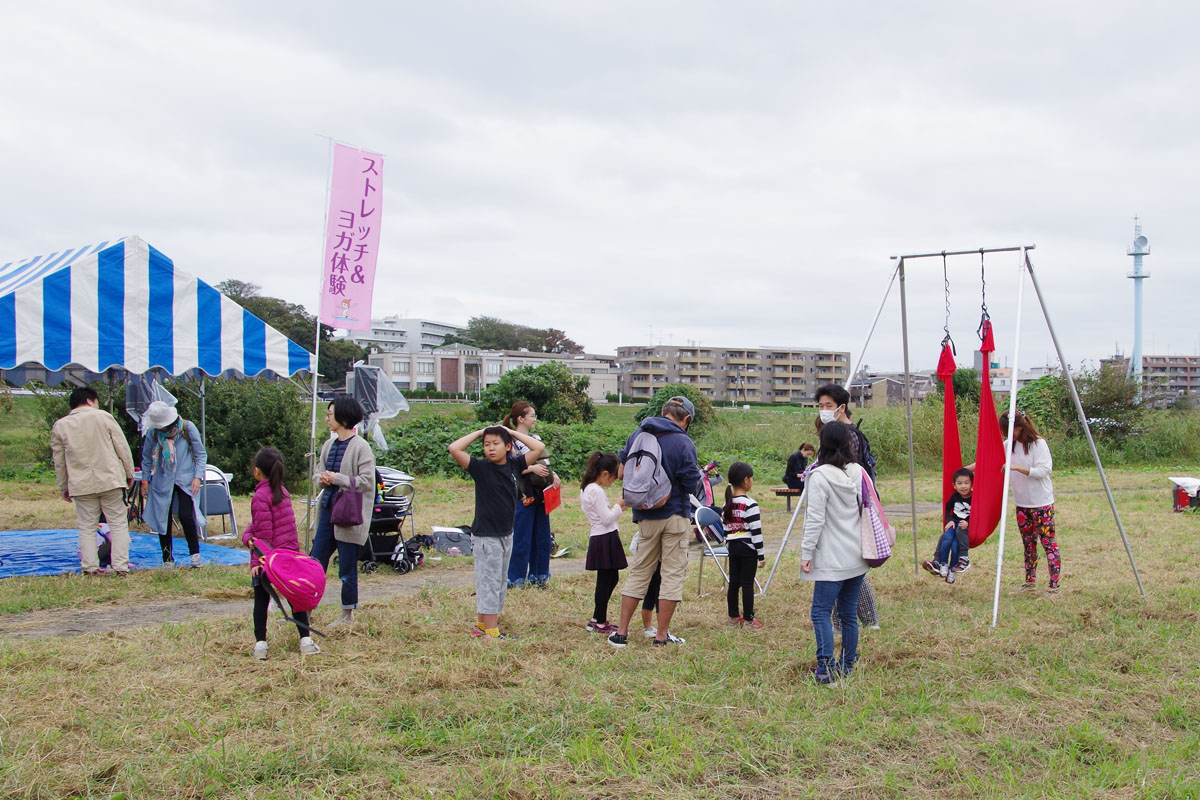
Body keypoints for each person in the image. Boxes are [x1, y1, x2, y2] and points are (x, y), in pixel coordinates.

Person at [608, 395, 701, 649]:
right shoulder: (684, 442)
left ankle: (621, 633)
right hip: (675, 515)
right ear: (686, 419)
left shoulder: (638, 434)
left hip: (646, 515)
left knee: (639, 571)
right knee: (671, 574)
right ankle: (661, 636)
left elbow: (621, 473)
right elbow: (691, 483)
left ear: (662, 412)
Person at [449, 424, 546, 639]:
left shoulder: (514, 464)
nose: (490, 448)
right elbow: (454, 449)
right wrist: (477, 433)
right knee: (489, 582)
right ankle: (491, 633)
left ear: (508, 446)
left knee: (500, 580)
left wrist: (511, 432)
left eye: (495, 444)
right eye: (486, 444)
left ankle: (482, 626)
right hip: (486, 536)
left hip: (506, 533)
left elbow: (538, 448)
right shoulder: (480, 468)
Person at [800, 422, 869, 685]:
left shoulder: (819, 476)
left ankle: (825, 668)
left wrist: (807, 552)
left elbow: (814, 519)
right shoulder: (857, 471)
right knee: (848, 613)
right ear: (848, 444)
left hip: (831, 558)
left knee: (820, 612)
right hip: (856, 556)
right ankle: (847, 664)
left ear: (822, 444)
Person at [241, 447, 318, 658]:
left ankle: (260, 645)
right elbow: (261, 526)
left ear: (257, 471)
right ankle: (306, 641)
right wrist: (247, 536)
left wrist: (256, 562)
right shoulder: (282, 492)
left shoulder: (259, 496)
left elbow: (263, 535)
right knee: (296, 599)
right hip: (288, 557)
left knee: (261, 600)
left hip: (269, 559)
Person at [815, 384, 880, 630]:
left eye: (828, 406)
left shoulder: (847, 435)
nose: (823, 410)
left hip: (848, 508)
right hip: (845, 507)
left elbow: (850, 473)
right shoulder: (839, 431)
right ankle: (846, 621)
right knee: (843, 565)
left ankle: (860, 619)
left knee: (847, 566)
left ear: (841, 407)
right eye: (820, 406)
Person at [50, 387, 135, 575]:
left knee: (87, 527)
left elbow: (59, 460)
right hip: (111, 479)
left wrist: (64, 486)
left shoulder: (60, 426)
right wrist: (129, 473)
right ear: (90, 400)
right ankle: (121, 567)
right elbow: (122, 447)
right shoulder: (103, 417)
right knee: (118, 524)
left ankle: (89, 568)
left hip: (81, 484)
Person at [311, 397, 375, 626]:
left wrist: (337, 478)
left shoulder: (361, 447)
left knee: (347, 567)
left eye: (331, 414)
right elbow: (319, 473)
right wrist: (323, 479)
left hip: (349, 515)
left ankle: (347, 614)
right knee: (315, 562)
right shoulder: (328, 445)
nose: (327, 418)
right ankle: (306, 609)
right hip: (328, 510)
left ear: (344, 418)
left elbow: (368, 481)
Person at [140, 401, 207, 568]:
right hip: (162, 479)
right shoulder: (153, 433)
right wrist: (145, 480)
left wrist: (198, 477)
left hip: (185, 479)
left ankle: (195, 555)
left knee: (186, 515)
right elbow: (147, 458)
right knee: (163, 518)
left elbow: (200, 454)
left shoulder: (187, 428)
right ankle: (167, 558)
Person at [1000, 410, 1061, 594]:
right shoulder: (1007, 446)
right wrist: (963, 471)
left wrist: (1017, 467)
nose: (1007, 435)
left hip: (1041, 503)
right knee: (1028, 544)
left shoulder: (1038, 444)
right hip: (1022, 504)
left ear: (1019, 427)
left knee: (1048, 543)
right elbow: (989, 462)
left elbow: (1043, 470)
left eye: (1009, 431)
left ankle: (1054, 585)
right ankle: (1030, 581)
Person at [501, 402, 560, 588]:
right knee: (521, 538)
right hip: (523, 495)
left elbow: (546, 462)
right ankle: (515, 578)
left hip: (541, 494)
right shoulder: (509, 442)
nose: (534, 419)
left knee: (541, 537)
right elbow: (507, 467)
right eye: (532, 416)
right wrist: (530, 468)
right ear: (521, 419)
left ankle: (539, 576)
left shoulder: (535, 438)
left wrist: (554, 475)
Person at [579, 451, 627, 633]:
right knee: (607, 579)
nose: (613, 482)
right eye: (614, 477)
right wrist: (618, 505)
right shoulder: (595, 490)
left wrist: (617, 509)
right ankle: (599, 620)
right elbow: (606, 518)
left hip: (601, 536)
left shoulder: (587, 488)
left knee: (608, 578)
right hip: (604, 536)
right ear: (605, 473)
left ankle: (598, 618)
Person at [723, 462, 765, 628]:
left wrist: (729, 546)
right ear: (746, 480)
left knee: (733, 583)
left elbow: (725, 530)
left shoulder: (727, 504)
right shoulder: (751, 504)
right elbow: (756, 532)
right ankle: (748, 619)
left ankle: (733, 617)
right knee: (747, 584)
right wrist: (761, 556)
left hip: (733, 547)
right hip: (748, 548)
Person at [923, 467, 973, 583]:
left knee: (955, 545)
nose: (963, 486)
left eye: (966, 483)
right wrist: (949, 520)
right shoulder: (955, 496)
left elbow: (978, 515)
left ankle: (952, 570)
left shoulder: (975, 498)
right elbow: (947, 508)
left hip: (964, 527)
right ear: (954, 485)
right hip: (954, 523)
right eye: (959, 483)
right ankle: (942, 564)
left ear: (971, 484)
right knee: (947, 537)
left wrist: (968, 523)